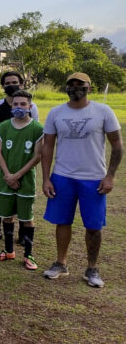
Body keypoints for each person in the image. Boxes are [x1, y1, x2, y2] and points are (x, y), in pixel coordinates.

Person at [41, 73, 122, 288]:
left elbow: (117, 144)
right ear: (66, 88)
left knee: (94, 226)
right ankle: (61, 263)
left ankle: (92, 268)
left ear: (89, 87)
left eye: (80, 84)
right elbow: (47, 146)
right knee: (62, 221)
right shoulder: (56, 112)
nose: (75, 87)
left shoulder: (103, 111)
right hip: (63, 177)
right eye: (71, 84)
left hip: (93, 178)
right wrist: (46, 178)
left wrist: (110, 176)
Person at [0, 90, 44, 270]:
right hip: (5, 180)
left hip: (25, 182)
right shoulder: (4, 126)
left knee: (27, 218)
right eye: (15, 104)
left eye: (23, 104)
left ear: (30, 106)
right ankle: (8, 251)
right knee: (7, 217)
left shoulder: (37, 129)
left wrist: (17, 175)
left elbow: (37, 157)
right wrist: (8, 175)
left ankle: (29, 255)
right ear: (11, 106)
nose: (19, 107)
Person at [0, 72, 40, 243]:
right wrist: (7, 170)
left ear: (22, 84)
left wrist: (17, 171)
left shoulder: (33, 106)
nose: (11, 85)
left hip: (24, 160)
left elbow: (35, 134)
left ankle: (23, 234)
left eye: (15, 82)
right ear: (2, 86)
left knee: (23, 197)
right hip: (2, 160)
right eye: (7, 82)